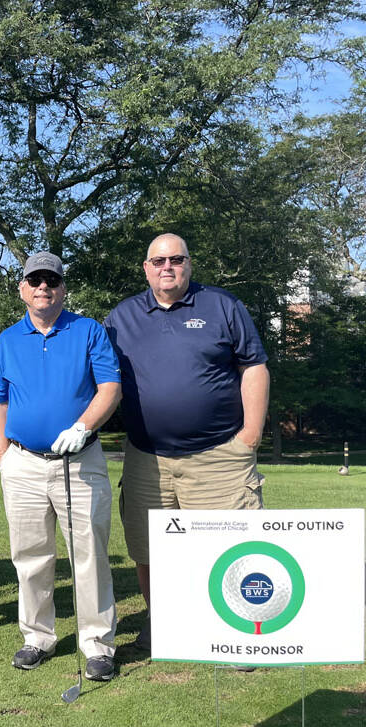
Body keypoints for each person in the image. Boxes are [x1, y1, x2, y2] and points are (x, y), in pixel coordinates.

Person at [103, 233, 270, 650]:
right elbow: (98, 377)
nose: (167, 267)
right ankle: (162, 621)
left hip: (218, 455)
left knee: (232, 547)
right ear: (146, 268)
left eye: (176, 259)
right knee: (146, 547)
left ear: (189, 264)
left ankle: (240, 633)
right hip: (147, 457)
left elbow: (254, 367)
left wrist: (250, 436)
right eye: (158, 261)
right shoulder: (121, 318)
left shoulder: (222, 306)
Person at [0, 251, 122, 680]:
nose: (43, 287)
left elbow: (110, 388)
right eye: (35, 280)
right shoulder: (7, 340)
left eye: (52, 280)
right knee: (29, 556)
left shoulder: (88, 331)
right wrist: (5, 455)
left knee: (88, 554)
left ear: (63, 288)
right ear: (23, 289)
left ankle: (97, 643)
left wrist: (83, 427)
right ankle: (37, 637)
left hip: (80, 461)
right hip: (23, 463)